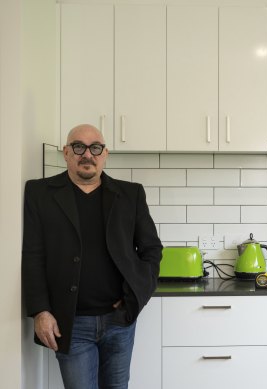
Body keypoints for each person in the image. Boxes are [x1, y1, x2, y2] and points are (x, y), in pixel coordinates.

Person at [22, 124, 163, 389]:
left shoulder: (130, 194)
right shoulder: (40, 193)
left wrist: (136, 296)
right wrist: (40, 311)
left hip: (119, 322)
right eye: (79, 147)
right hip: (69, 323)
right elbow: (32, 255)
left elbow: (152, 250)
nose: (87, 154)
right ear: (66, 153)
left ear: (105, 153)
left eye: (95, 147)